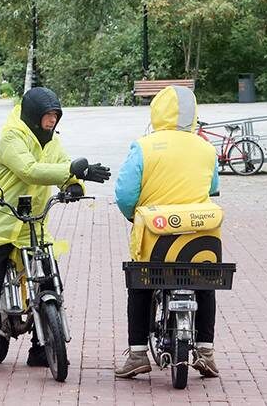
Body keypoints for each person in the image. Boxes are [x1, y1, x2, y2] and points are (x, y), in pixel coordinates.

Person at [0, 87, 110, 375]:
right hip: (0, 221)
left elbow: (62, 168)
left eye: (56, 116)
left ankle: (40, 347)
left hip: (33, 222)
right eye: (47, 116)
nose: (52, 121)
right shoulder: (12, 137)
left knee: (48, 280)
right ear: (33, 116)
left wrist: (74, 185)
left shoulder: (52, 141)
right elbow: (30, 170)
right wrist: (74, 170)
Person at [113, 85, 221, 379]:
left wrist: (133, 216)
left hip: (154, 237)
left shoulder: (144, 147)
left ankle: (137, 354)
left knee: (141, 285)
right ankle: (206, 351)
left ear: (158, 111)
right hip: (200, 237)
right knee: (204, 280)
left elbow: (125, 194)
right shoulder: (205, 148)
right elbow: (212, 188)